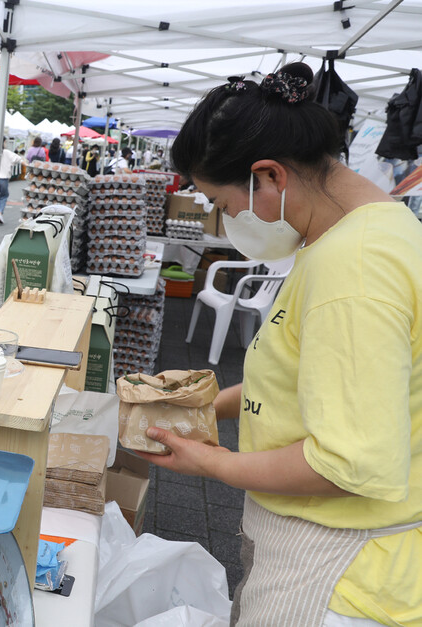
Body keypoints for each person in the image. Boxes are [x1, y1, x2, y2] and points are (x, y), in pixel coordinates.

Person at [141, 63, 422, 626]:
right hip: (326, 540)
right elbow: (313, 382)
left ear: (268, 176)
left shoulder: (354, 268)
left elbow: (345, 464)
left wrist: (212, 463)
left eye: (223, 205)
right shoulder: (355, 234)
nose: (227, 223)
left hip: (342, 567)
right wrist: (207, 403)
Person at [0, 135, 22, 225]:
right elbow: (19, 159)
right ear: (3, 142)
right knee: (3, 197)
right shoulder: (6, 152)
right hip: (4, 179)